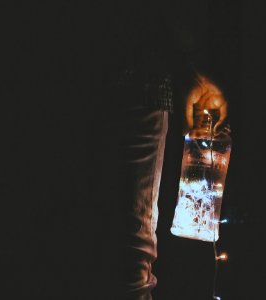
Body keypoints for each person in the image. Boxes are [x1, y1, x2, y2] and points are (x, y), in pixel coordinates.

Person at [85, 1, 229, 299]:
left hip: (122, 71)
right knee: (130, 262)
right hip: (136, 79)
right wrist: (189, 60)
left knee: (114, 253)